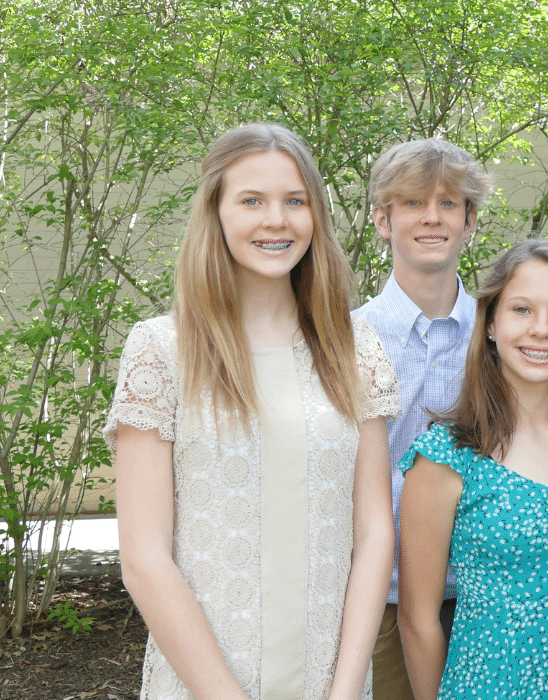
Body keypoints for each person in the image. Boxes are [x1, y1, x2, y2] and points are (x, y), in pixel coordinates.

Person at [107, 123, 398, 700]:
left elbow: (373, 535)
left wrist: (344, 690)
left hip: (329, 681)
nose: (277, 220)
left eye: (295, 201)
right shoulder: (161, 350)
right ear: (215, 213)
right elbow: (143, 557)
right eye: (252, 201)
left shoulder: (354, 348)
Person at [396, 240, 548, 700]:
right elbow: (418, 621)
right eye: (522, 309)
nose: (541, 330)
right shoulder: (447, 456)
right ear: (492, 324)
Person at [350, 138, 494, 700]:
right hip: (380, 596)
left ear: (470, 220)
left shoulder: (504, 333)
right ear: (384, 220)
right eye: (412, 204)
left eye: (449, 204)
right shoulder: (345, 337)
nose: (432, 217)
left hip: (487, 593)